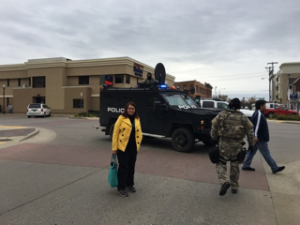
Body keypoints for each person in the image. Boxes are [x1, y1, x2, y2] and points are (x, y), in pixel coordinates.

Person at [211, 98, 254, 196]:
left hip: (223, 144)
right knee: (235, 164)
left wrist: (213, 139)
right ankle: (234, 186)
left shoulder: (222, 114)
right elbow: (250, 132)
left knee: (220, 163)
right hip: (237, 145)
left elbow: (214, 126)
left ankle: (224, 181)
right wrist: (251, 144)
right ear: (239, 107)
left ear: (229, 106)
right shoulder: (243, 117)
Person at [242, 100, 285, 174]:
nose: (265, 106)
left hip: (258, 137)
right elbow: (256, 126)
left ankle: (246, 165)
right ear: (261, 106)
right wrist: (255, 137)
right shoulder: (258, 113)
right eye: (264, 105)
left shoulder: (257, 113)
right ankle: (274, 168)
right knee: (266, 152)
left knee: (252, 151)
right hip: (260, 138)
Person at [112, 101, 143, 197]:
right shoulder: (121, 118)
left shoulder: (137, 118)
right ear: (126, 109)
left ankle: (129, 184)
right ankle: (121, 187)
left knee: (131, 166)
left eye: (133, 109)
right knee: (123, 167)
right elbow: (115, 133)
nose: (131, 110)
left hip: (133, 147)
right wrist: (114, 148)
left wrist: (138, 145)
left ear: (135, 110)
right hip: (123, 147)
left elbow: (139, 132)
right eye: (129, 108)